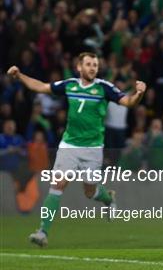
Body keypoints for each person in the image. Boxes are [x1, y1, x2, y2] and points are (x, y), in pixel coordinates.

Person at [7, 52, 147, 247]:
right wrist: (19, 75)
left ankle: (108, 198)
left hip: (93, 148)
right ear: (79, 67)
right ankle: (42, 232)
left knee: (89, 192)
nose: (92, 68)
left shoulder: (104, 88)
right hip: (69, 145)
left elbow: (128, 102)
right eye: (88, 64)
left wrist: (138, 94)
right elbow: (41, 87)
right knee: (57, 185)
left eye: (95, 65)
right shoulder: (69, 85)